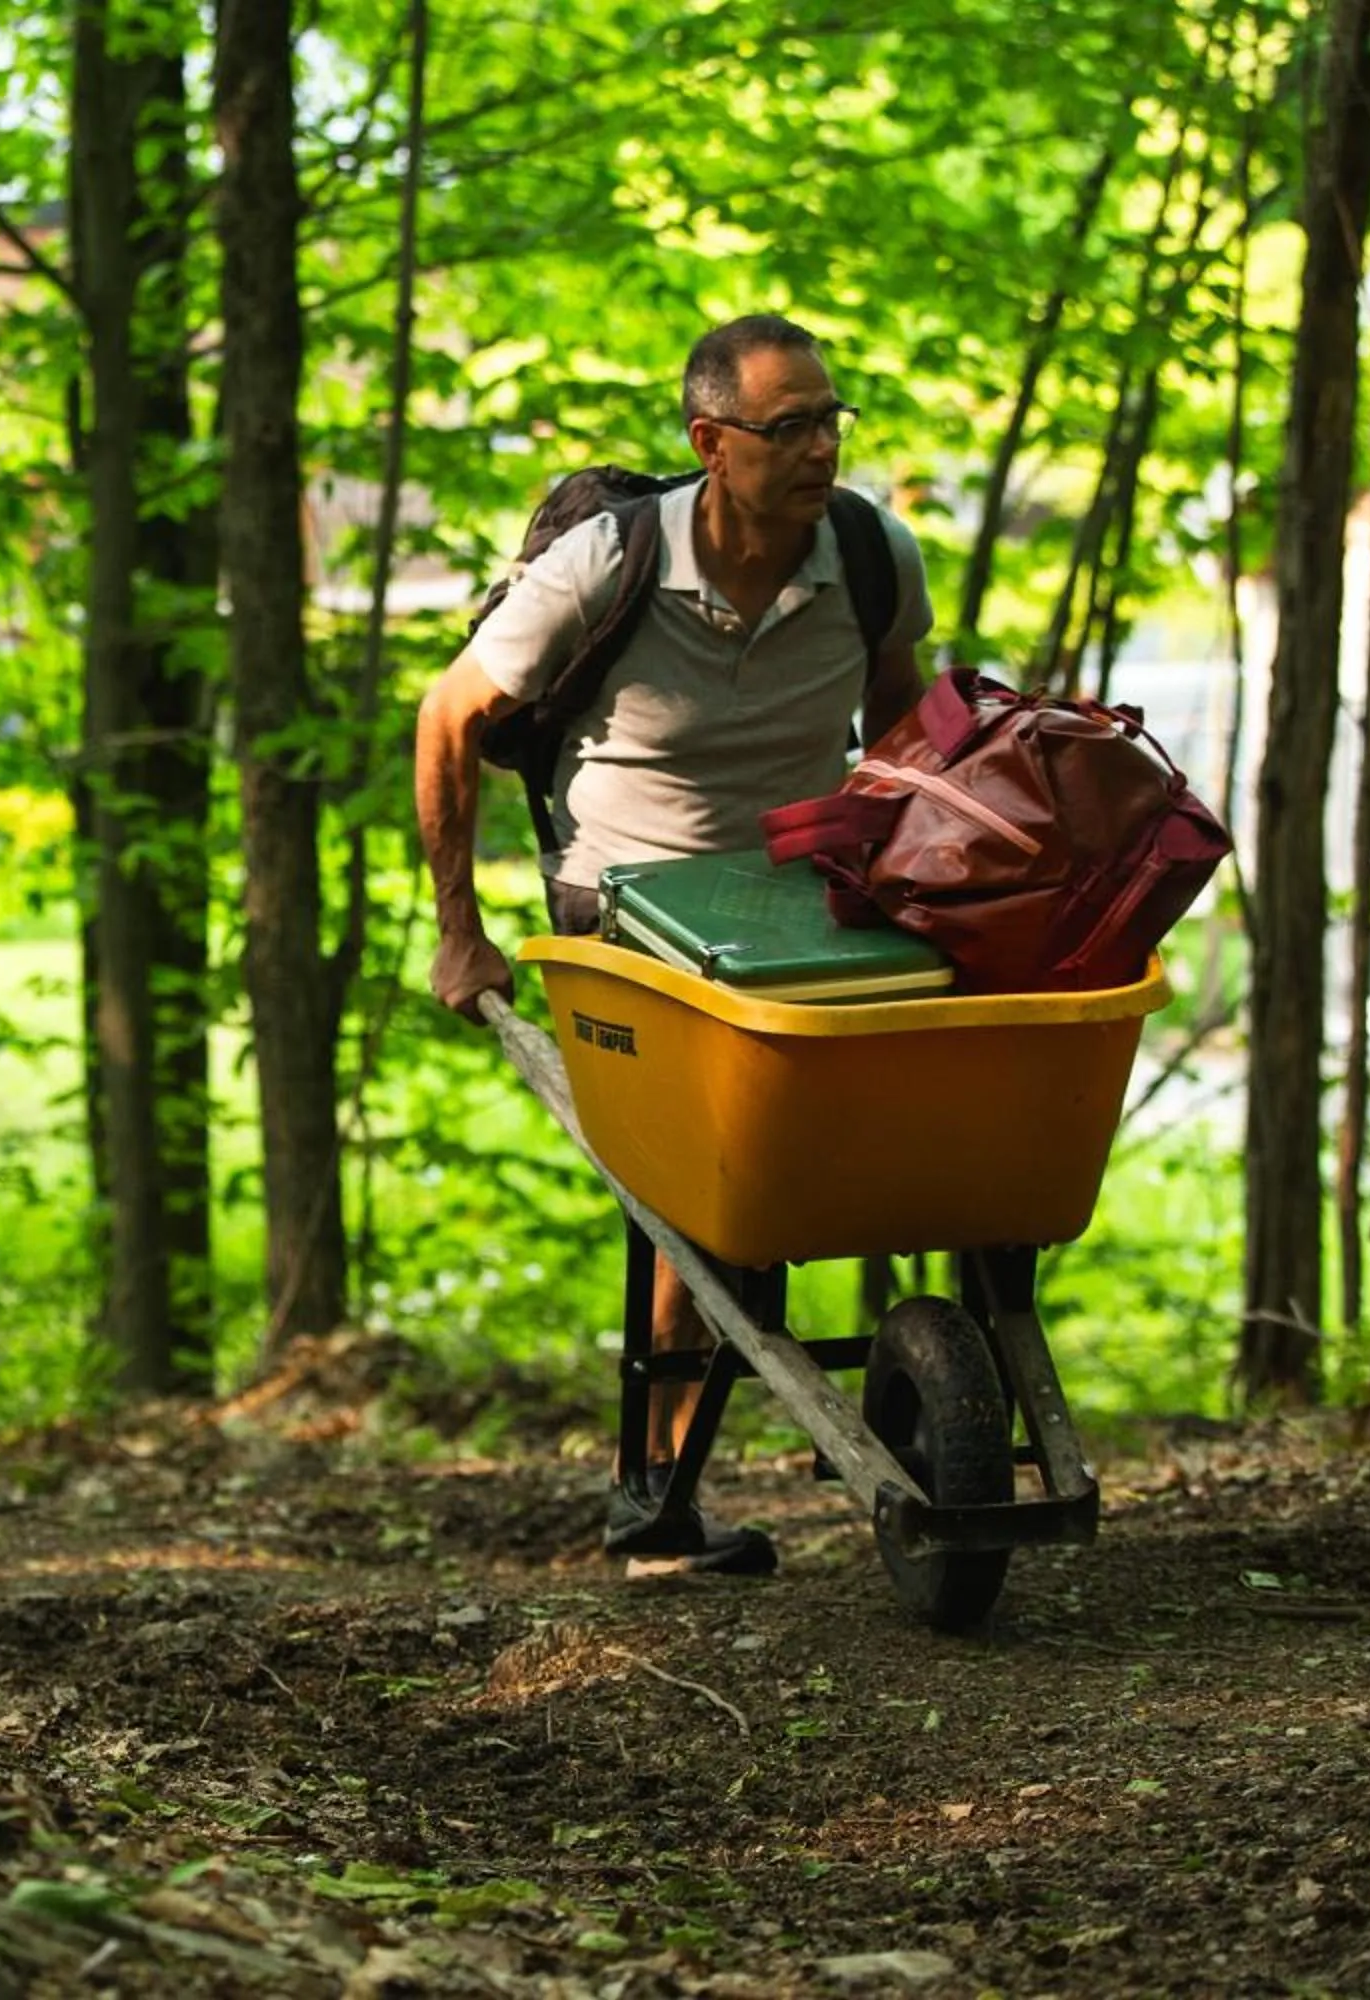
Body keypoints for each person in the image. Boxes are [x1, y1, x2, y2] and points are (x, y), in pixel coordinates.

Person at [410, 313, 935, 1575]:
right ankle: (659, 1490)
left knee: (886, 1138)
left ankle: (901, 1398)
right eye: (788, 425)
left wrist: (920, 868)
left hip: (803, 904)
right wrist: (460, 932)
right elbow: (449, 712)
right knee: (701, 1198)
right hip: (626, 910)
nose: (821, 448)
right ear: (711, 440)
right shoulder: (608, 562)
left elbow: (908, 717)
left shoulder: (869, 551)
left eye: (832, 419)